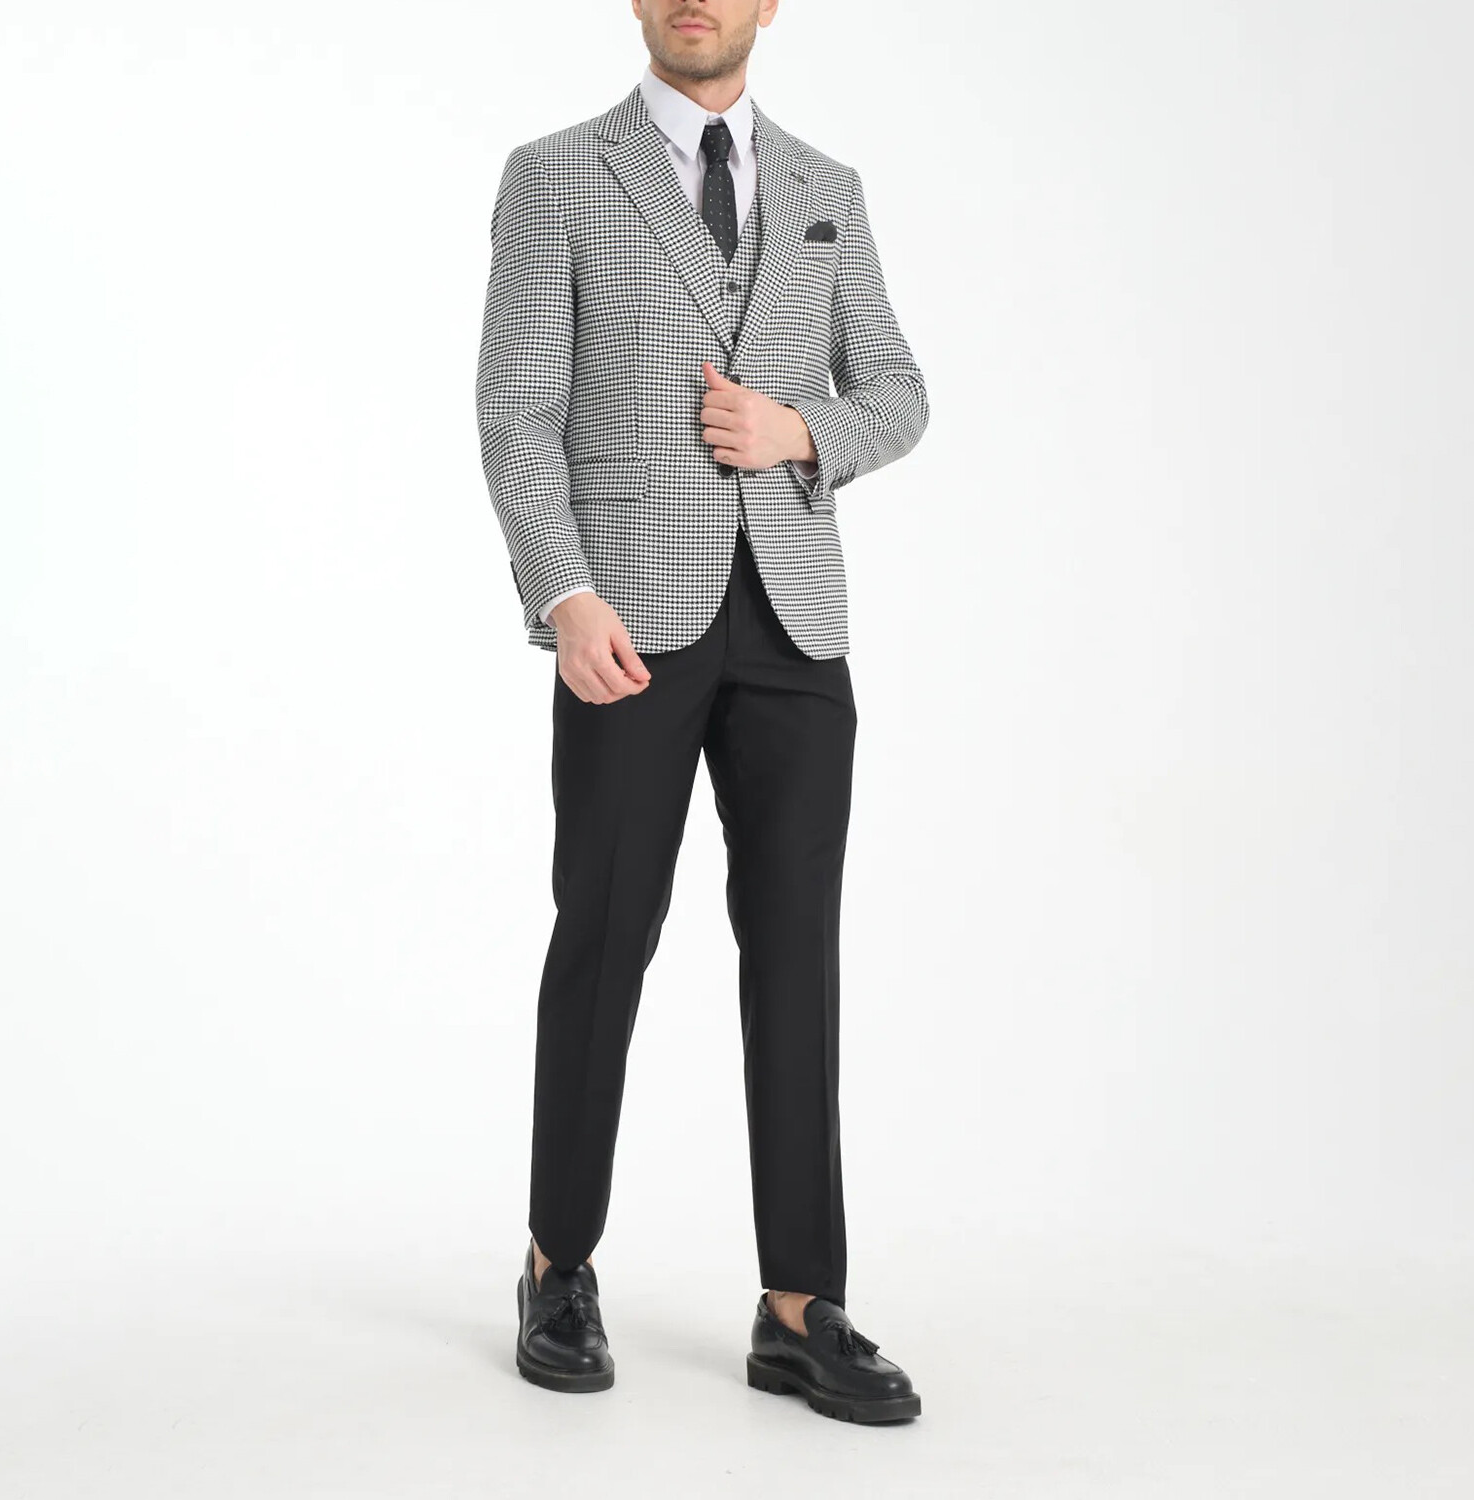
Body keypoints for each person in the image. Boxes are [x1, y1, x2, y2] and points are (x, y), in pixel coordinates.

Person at [476, 0, 929, 1424]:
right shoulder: (557, 173)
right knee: (606, 932)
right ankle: (557, 1265)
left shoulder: (825, 188)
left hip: (796, 627)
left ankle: (799, 1306)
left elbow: (899, 390)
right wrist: (564, 597)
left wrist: (803, 431)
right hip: (629, 623)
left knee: (796, 954)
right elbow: (515, 414)